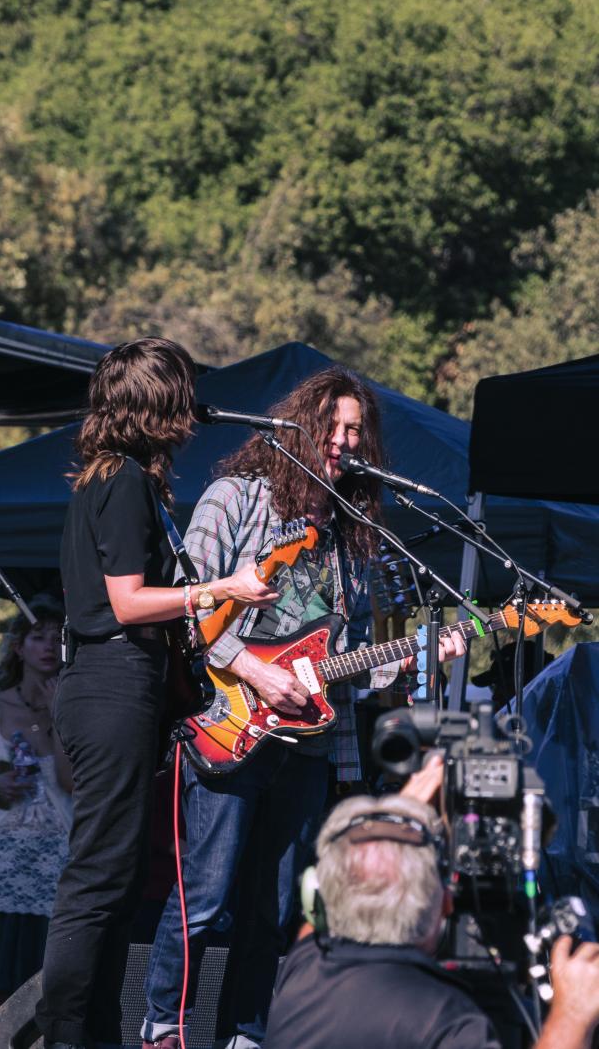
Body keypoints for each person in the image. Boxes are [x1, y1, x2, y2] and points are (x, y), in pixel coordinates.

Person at [141, 365, 465, 1049]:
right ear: (300, 425)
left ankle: (247, 1035)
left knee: (280, 904)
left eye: (357, 431)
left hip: (310, 743)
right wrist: (254, 668)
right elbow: (185, 609)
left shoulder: (354, 532)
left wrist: (415, 658)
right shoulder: (236, 497)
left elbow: (351, 660)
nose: (345, 441)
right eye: (334, 427)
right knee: (206, 897)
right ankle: (164, 1027)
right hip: (229, 721)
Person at [34, 337, 278, 1049]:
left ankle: (97, 1030)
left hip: (122, 685)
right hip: (111, 682)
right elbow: (128, 601)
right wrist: (221, 588)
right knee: (98, 874)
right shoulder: (123, 482)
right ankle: (64, 1031)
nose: (194, 407)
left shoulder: (121, 479)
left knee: (118, 877)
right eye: (183, 391)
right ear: (157, 400)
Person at [263, 791, 599, 1049]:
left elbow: (323, 912)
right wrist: (571, 1017)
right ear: (444, 904)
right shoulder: (446, 1022)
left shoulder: (304, 968)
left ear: (316, 895)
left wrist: (404, 803)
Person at [0, 596, 72, 1004]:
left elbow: (69, 781)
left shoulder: (72, 704)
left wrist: (59, 715)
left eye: (56, 638)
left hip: (58, 848)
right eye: (38, 637)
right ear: (18, 647)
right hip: (5, 850)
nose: (48, 647)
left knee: (41, 969)